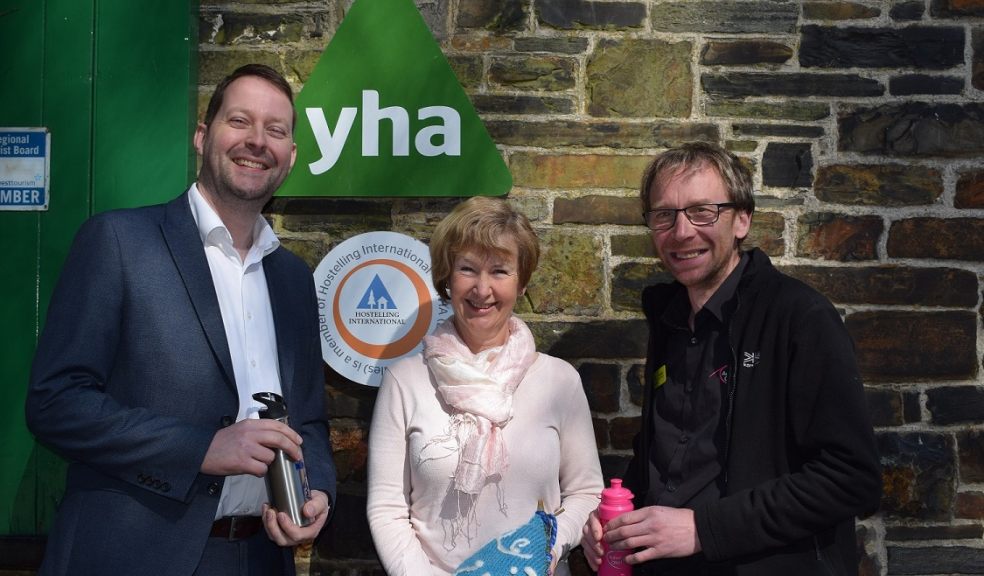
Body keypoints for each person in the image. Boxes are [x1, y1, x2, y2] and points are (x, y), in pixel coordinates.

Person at [25, 64, 336, 576]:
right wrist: (202, 449)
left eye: (276, 130)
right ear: (201, 135)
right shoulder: (119, 242)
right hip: (133, 556)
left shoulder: (294, 280)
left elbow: (308, 422)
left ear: (291, 156)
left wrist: (316, 487)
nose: (257, 141)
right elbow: (55, 403)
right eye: (240, 121)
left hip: (259, 558)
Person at [581, 142, 881, 575]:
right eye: (664, 215)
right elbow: (668, 456)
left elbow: (852, 479)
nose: (682, 232)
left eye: (703, 211)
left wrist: (705, 529)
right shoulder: (670, 321)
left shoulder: (799, 317)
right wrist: (617, 516)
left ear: (742, 219)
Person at [367, 196, 604, 576]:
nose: (482, 289)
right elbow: (387, 508)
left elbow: (586, 492)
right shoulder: (405, 381)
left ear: (522, 281)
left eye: (499, 271)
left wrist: (542, 548)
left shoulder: (559, 381)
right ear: (447, 278)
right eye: (467, 269)